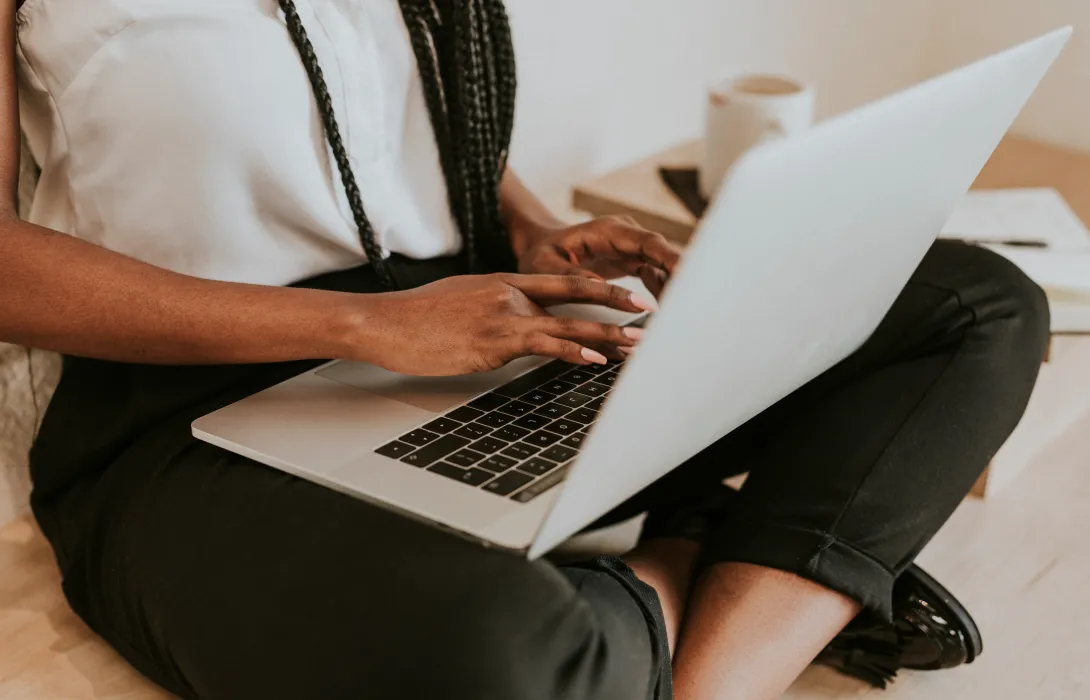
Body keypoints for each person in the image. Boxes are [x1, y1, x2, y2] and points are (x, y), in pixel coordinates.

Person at [1, 1, 1049, 699]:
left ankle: (663, 638)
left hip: (469, 328)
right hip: (181, 418)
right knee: (492, 652)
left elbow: (412, 119)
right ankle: (719, 561)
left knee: (975, 303)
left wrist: (531, 230)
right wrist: (364, 325)